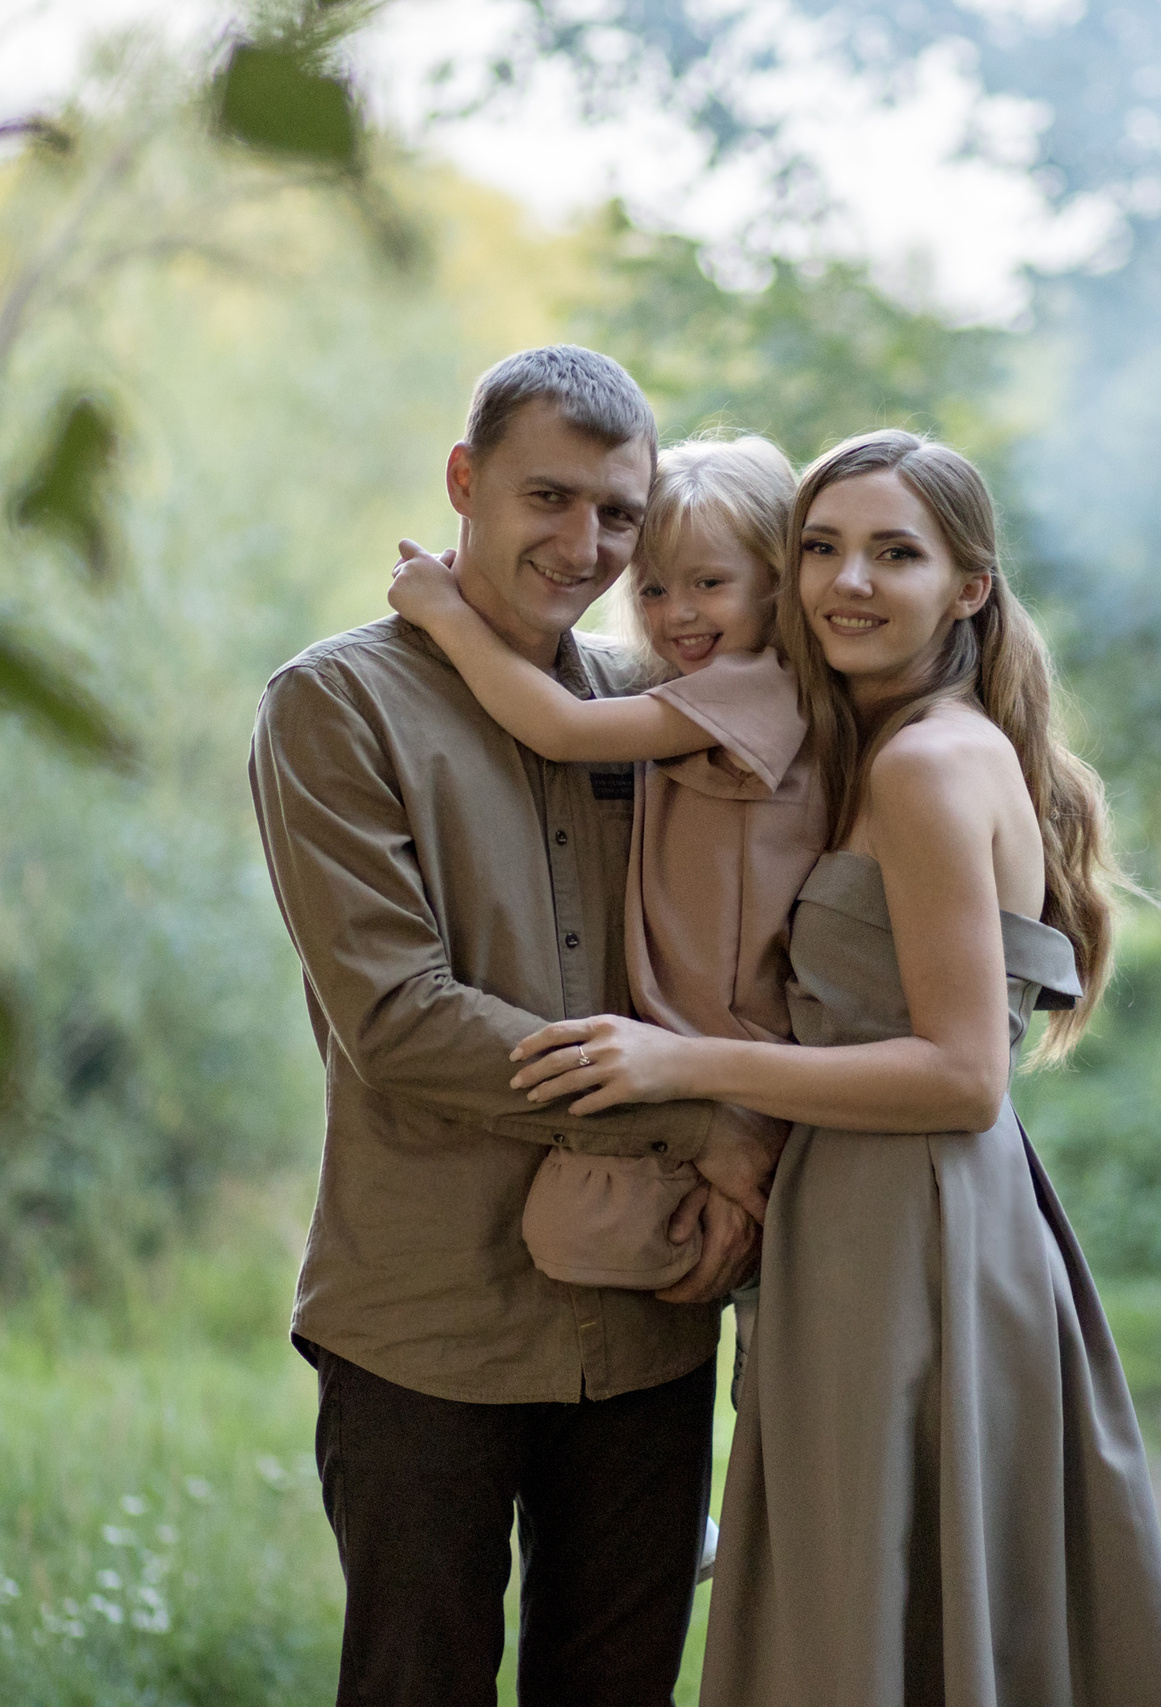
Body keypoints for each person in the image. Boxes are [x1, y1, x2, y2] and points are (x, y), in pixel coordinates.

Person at [510, 430, 1161, 1706]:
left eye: (896, 553)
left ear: (969, 587)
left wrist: (682, 1062)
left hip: (907, 1229)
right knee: (887, 1603)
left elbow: (958, 1076)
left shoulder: (931, 764)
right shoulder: (903, 743)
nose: (848, 582)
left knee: (858, 1614)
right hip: (905, 1219)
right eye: (821, 548)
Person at [247, 346, 775, 1707]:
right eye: (550, 497)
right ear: (465, 481)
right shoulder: (335, 704)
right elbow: (401, 1019)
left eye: (617, 513)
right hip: (429, 1319)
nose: (585, 543)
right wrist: (698, 1113)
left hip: (649, 1314)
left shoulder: (651, 712)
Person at [385, 434, 815, 1388]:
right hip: (700, 1033)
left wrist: (446, 615)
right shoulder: (702, 690)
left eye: (711, 585)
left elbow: (561, 727)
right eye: (656, 590)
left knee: (593, 1234)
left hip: (730, 1038)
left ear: (780, 588)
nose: (677, 615)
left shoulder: (759, 689)